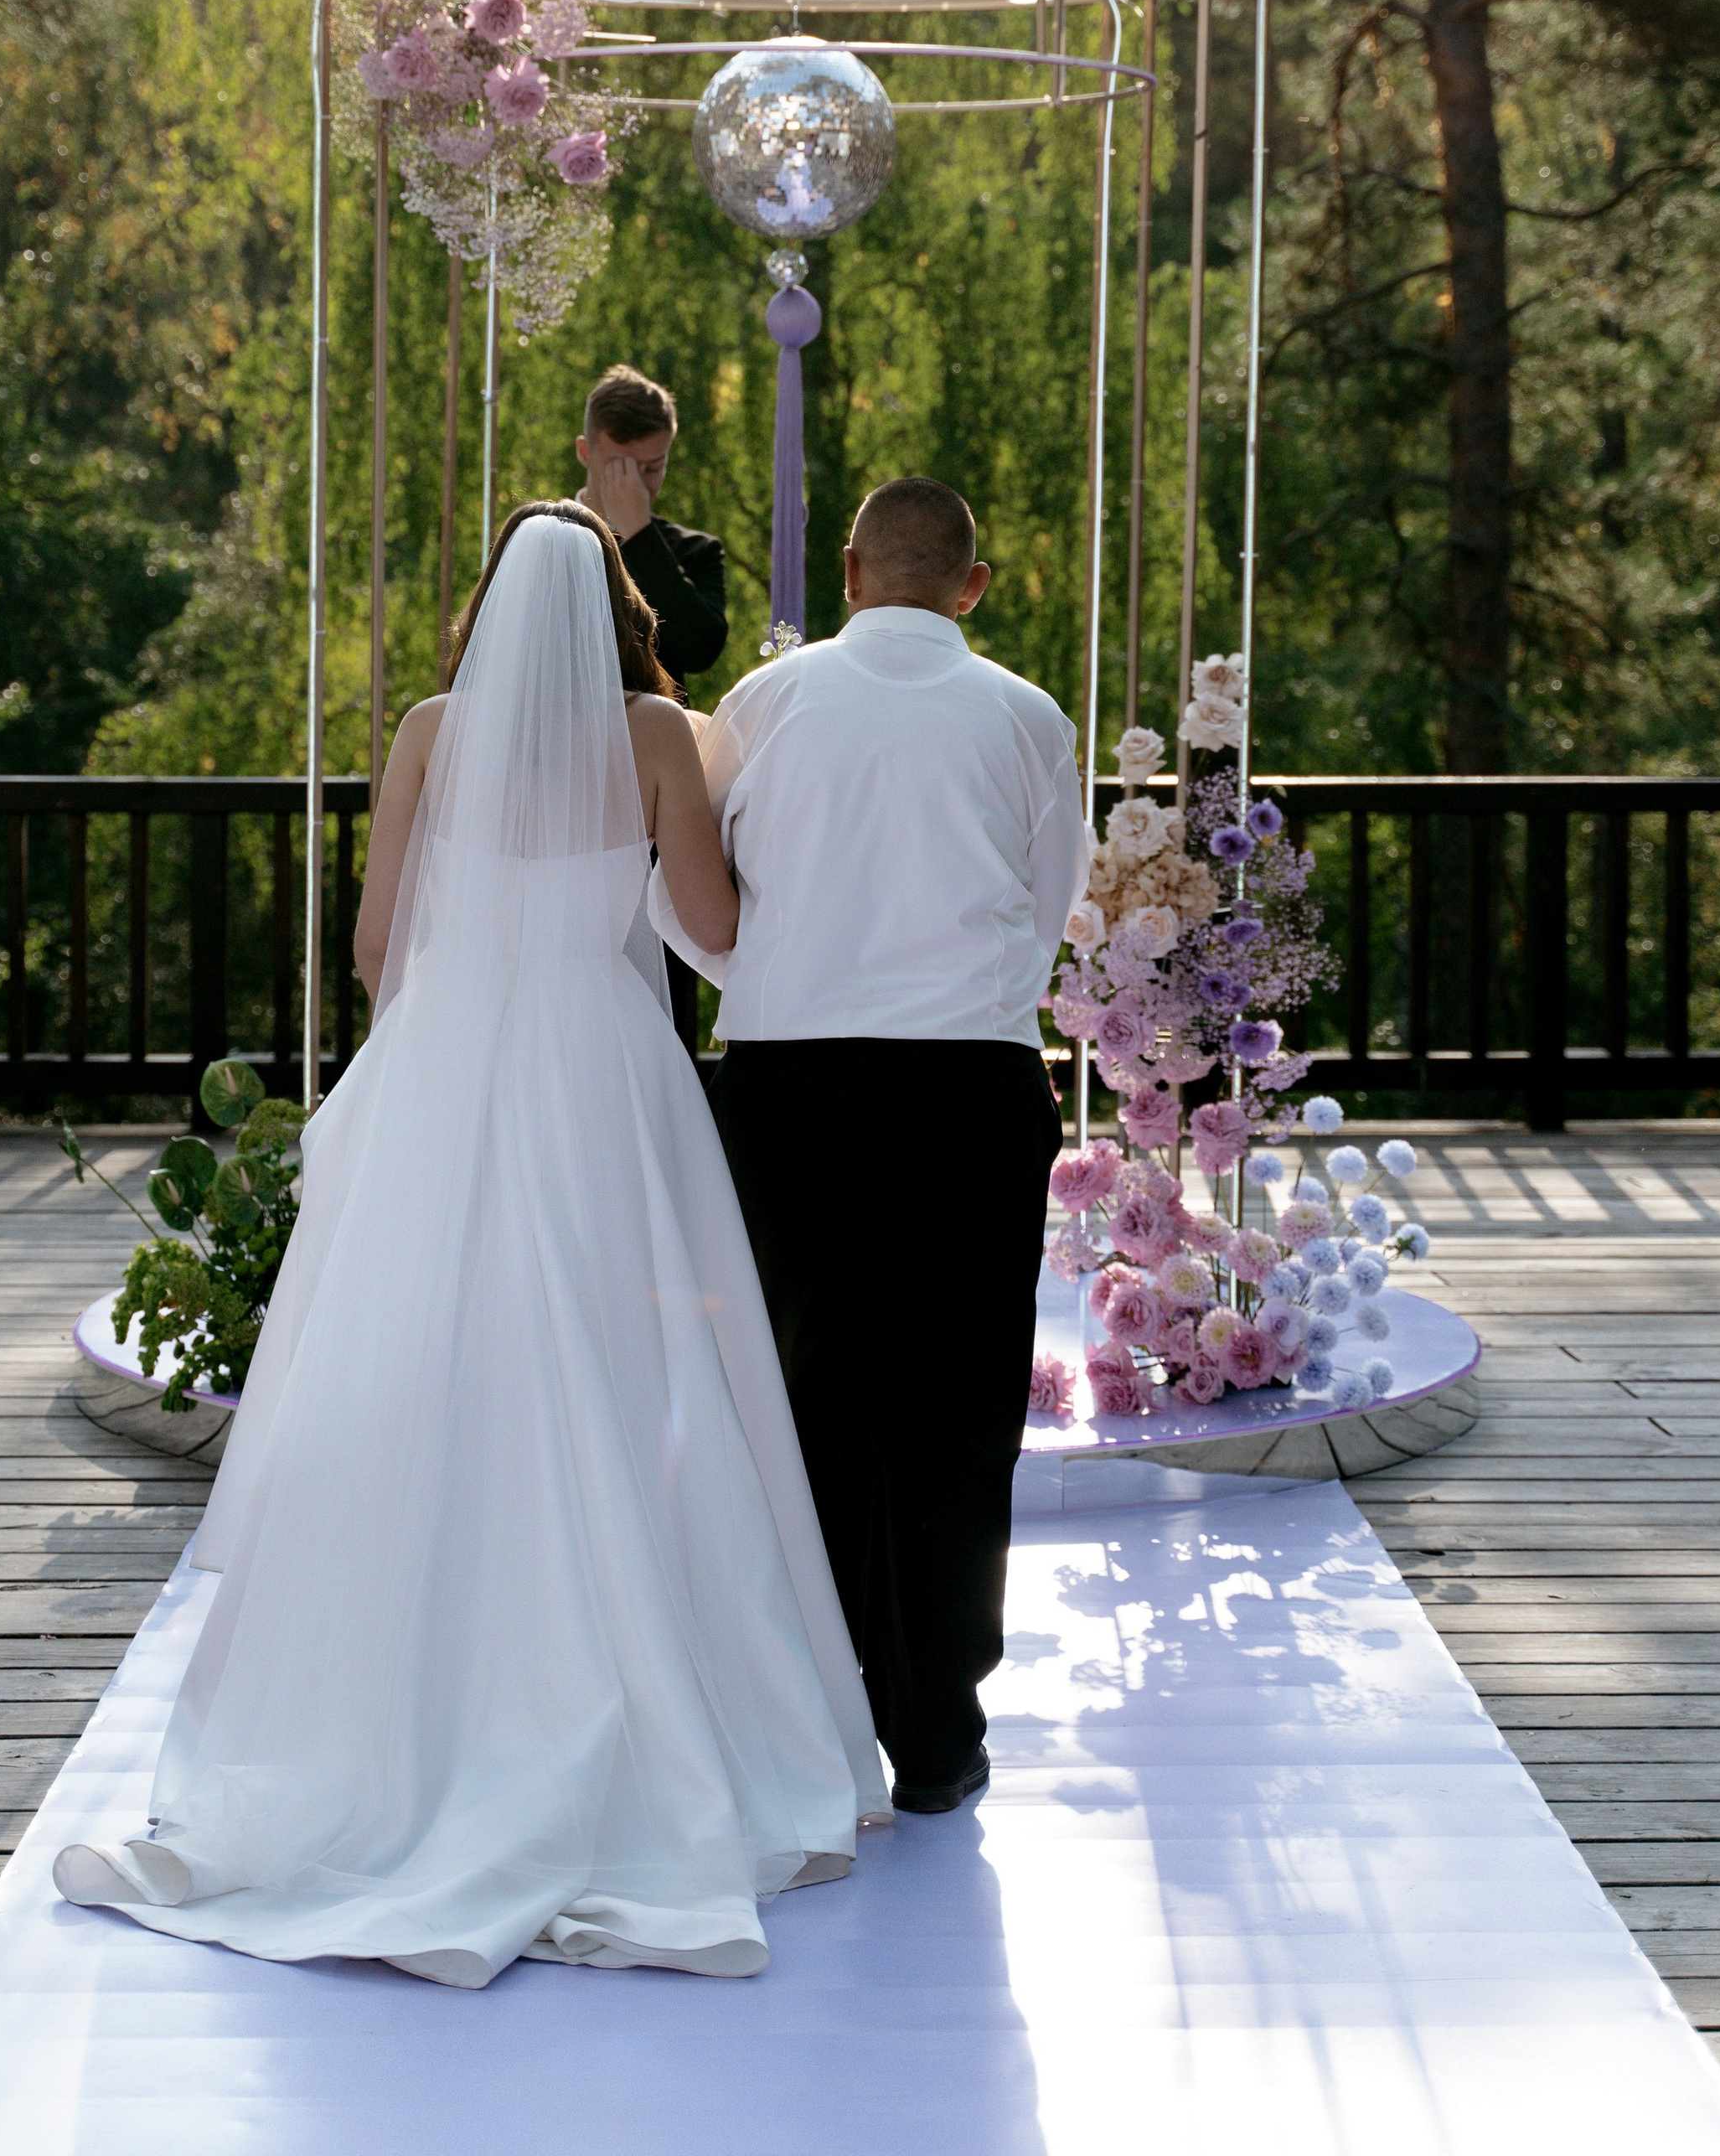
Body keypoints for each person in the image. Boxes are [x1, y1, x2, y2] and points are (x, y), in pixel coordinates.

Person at [53, 502, 887, 1985]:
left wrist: (431, 1028)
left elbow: (379, 947)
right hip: (600, 1067)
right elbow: (716, 923)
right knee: (632, 1372)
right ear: (619, 602)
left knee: (420, 1366)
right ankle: (632, 1699)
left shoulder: (435, 725)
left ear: (495, 603)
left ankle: (394, 1712)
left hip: (447, 1057)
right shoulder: (656, 732)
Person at [653, 476, 1085, 1818]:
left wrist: (752, 975)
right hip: (969, 1079)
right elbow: (1050, 908)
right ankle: (939, 1725)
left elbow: (692, 894)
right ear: (976, 583)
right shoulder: (1026, 717)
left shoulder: (765, 707)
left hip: (796, 1083)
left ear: (846, 573)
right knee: (961, 1404)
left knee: (808, 1390)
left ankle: (819, 1711)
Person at [576, 362, 728, 1056]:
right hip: (559, 807)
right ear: (587, 452)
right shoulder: (543, 548)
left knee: (656, 1015)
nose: (636, 485)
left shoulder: (691, 552)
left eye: (653, 469)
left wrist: (637, 536)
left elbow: (698, 646)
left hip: (652, 810)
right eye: (620, 467)